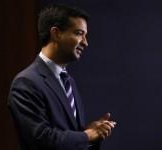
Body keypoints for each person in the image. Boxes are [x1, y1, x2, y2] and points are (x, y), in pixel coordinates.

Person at [8, 4, 116, 150]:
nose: (85, 42)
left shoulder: (68, 80)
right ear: (56, 34)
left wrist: (89, 133)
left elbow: (70, 136)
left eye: (85, 35)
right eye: (78, 33)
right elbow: (42, 139)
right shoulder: (26, 82)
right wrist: (88, 135)